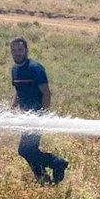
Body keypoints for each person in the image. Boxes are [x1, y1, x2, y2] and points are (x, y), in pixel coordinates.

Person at [9, 37, 68, 184]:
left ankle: (57, 163)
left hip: (37, 115)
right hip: (26, 116)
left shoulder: (35, 68)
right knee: (28, 150)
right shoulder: (15, 70)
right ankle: (44, 179)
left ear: (27, 51)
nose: (17, 53)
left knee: (25, 150)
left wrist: (43, 115)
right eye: (14, 51)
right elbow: (19, 92)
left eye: (20, 50)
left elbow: (46, 93)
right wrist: (12, 109)